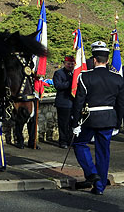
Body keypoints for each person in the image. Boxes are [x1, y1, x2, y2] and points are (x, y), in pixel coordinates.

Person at [71, 41, 124, 195]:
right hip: (108, 118)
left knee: (80, 144)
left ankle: (91, 173)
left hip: (90, 118)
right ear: (107, 60)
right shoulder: (117, 78)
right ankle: (99, 187)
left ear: (94, 60)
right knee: (103, 152)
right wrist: (118, 123)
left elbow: (78, 102)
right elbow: (121, 104)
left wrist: (75, 123)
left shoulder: (85, 76)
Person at [53, 55, 76, 148]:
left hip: (74, 102)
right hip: (63, 102)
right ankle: (63, 141)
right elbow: (58, 86)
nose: (70, 66)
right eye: (68, 64)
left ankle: (71, 140)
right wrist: (71, 82)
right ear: (64, 63)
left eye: (72, 64)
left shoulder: (76, 73)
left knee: (73, 123)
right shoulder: (58, 73)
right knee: (63, 123)